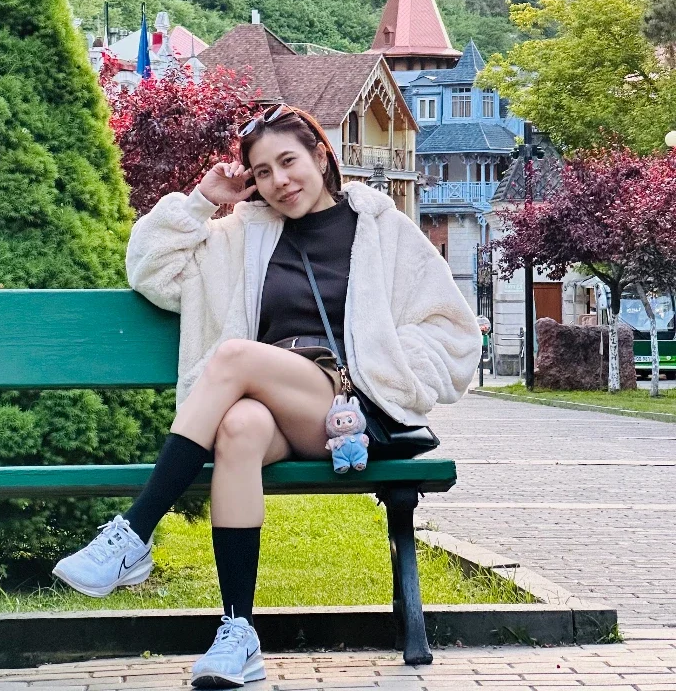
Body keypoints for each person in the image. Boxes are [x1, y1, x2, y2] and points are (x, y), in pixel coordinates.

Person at [53, 103, 481, 689]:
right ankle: (238, 634)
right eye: (261, 172)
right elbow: (150, 269)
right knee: (238, 428)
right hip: (278, 407)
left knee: (232, 357)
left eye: (289, 161)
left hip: (351, 405)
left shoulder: (382, 229)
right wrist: (205, 199)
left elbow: (451, 329)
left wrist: (388, 368)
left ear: (321, 157)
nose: (279, 181)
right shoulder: (241, 239)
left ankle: (135, 532)